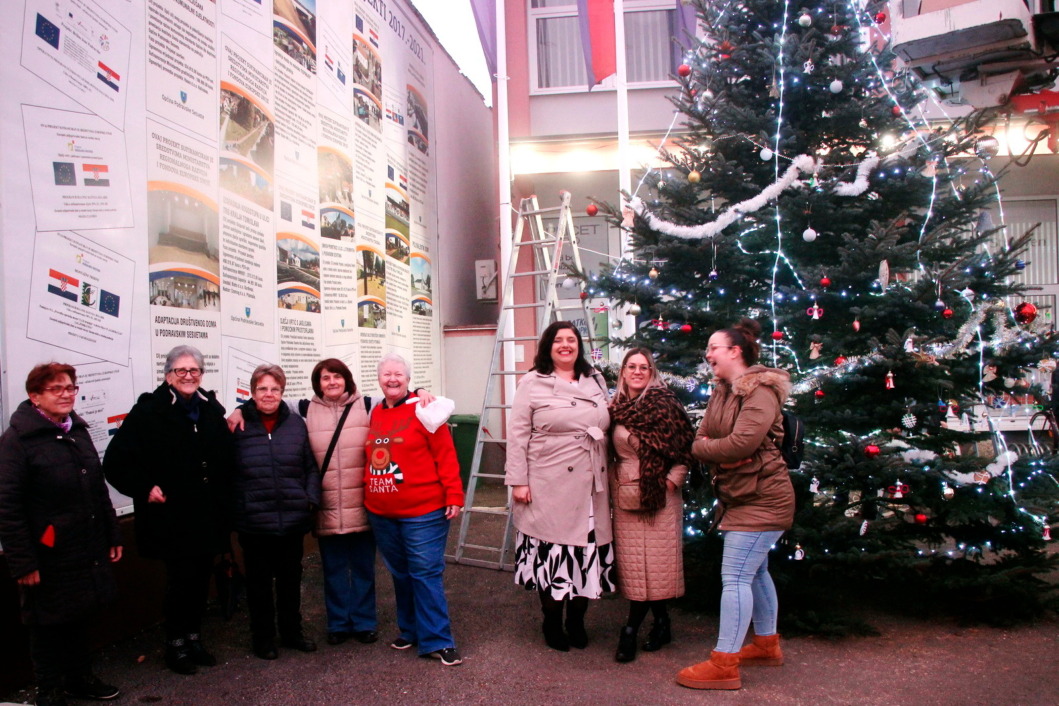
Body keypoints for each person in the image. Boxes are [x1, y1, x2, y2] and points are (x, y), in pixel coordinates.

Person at [227, 359, 437, 648]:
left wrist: (421, 389)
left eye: (337, 377)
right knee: (334, 569)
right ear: (318, 383)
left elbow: (396, 393)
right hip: (325, 505)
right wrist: (239, 409)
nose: (332, 383)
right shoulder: (303, 409)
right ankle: (338, 624)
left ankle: (364, 623)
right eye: (325, 378)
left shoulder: (367, 404)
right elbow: (266, 401)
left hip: (362, 502)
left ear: (347, 379)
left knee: (363, 568)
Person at [676, 318, 795, 690]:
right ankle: (766, 645)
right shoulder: (723, 391)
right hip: (740, 495)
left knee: (737, 577)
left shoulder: (758, 391)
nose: (707, 354)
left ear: (735, 351)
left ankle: (725, 663)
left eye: (714, 347)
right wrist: (714, 451)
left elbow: (741, 444)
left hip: (763, 497)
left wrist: (715, 450)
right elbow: (701, 438)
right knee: (756, 573)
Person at [104, 345, 234, 675]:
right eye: (182, 371)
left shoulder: (209, 408)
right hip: (172, 517)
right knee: (180, 580)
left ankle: (194, 638)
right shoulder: (150, 411)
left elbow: (224, 454)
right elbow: (116, 462)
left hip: (206, 515)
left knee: (201, 577)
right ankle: (175, 645)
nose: (189, 376)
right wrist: (145, 487)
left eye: (195, 371)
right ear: (168, 376)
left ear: (202, 375)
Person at [0, 364, 122, 706]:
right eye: (57, 389)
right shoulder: (17, 442)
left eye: (70, 387)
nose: (67, 394)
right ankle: (49, 691)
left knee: (80, 614)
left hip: (84, 546)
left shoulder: (77, 431)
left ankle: (79, 679)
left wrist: (112, 534)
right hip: (46, 552)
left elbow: (98, 490)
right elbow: (8, 506)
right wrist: (23, 562)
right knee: (45, 624)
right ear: (34, 396)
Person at [505, 321, 613, 652]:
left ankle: (576, 620)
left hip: (592, 482)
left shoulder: (595, 378)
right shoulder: (533, 382)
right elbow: (518, 434)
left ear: (579, 345)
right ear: (548, 346)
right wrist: (518, 480)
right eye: (558, 340)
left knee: (586, 553)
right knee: (554, 555)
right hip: (548, 481)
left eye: (571, 340)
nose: (565, 345)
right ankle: (551, 620)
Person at [365, 353, 464, 666]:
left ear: (408, 379)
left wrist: (454, 494)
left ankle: (437, 640)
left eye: (399, 374)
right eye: (386, 374)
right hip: (381, 512)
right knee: (401, 574)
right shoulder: (374, 410)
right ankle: (410, 630)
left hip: (423, 512)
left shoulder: (425, 409)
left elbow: (445, 454)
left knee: (424, 573)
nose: (392, 379)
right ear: (379, 379)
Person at [609, 348, 695, 663]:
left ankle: (630, 629)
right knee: (636, 569)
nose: (637, 371)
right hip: (625, 498)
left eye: (644, 367)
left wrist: (670, 482)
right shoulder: (616, 408)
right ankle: (662, 622)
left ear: (652, 372)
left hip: (660, 497)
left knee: (656, 567)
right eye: (631, 366)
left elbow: (686, 450)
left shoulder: (665, 404)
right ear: (623, 372)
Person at [231, 364, 321, 660]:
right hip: (254, 522)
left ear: (282, 392)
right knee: (258, 584)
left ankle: (292, 633)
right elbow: (228, 471)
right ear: (252, 393)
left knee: (290, 581)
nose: (268, 395)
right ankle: (263, 639)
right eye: (262, 389)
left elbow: (310, 467)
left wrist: (309, 499)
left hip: (292, 519)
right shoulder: (238, 425)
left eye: (274, 389)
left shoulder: (296, 423)